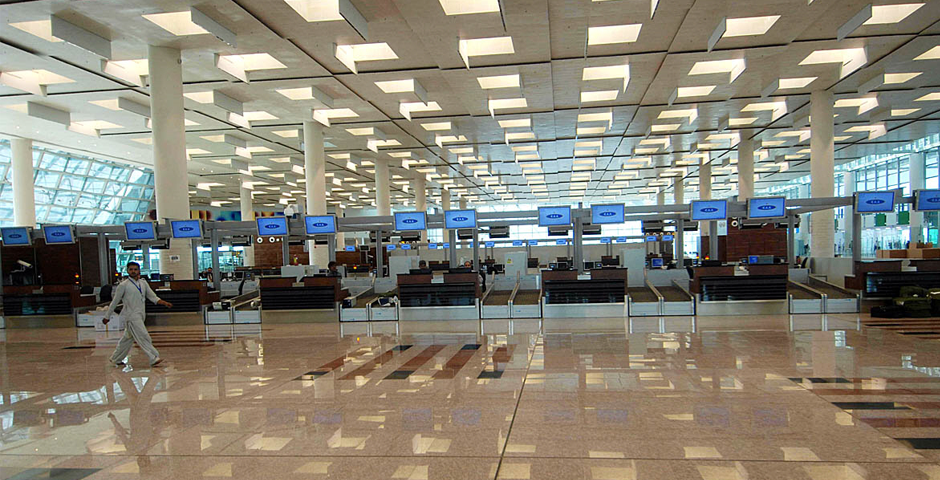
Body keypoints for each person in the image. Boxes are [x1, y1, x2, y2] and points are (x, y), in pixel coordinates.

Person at [103, 261, 173, 367]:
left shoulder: (143, 283)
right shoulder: (123, 285)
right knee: (144, 336)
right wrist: (107, 316)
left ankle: (115, 358)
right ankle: (153, 357)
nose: (133, 271)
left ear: (139, 271)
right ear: (127, 271)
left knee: (127, 339)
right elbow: (115, 302)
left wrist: (164, 302)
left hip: (140, 315)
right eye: (131, 269)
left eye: (135, 269)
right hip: (131, 316)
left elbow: (152, 296)